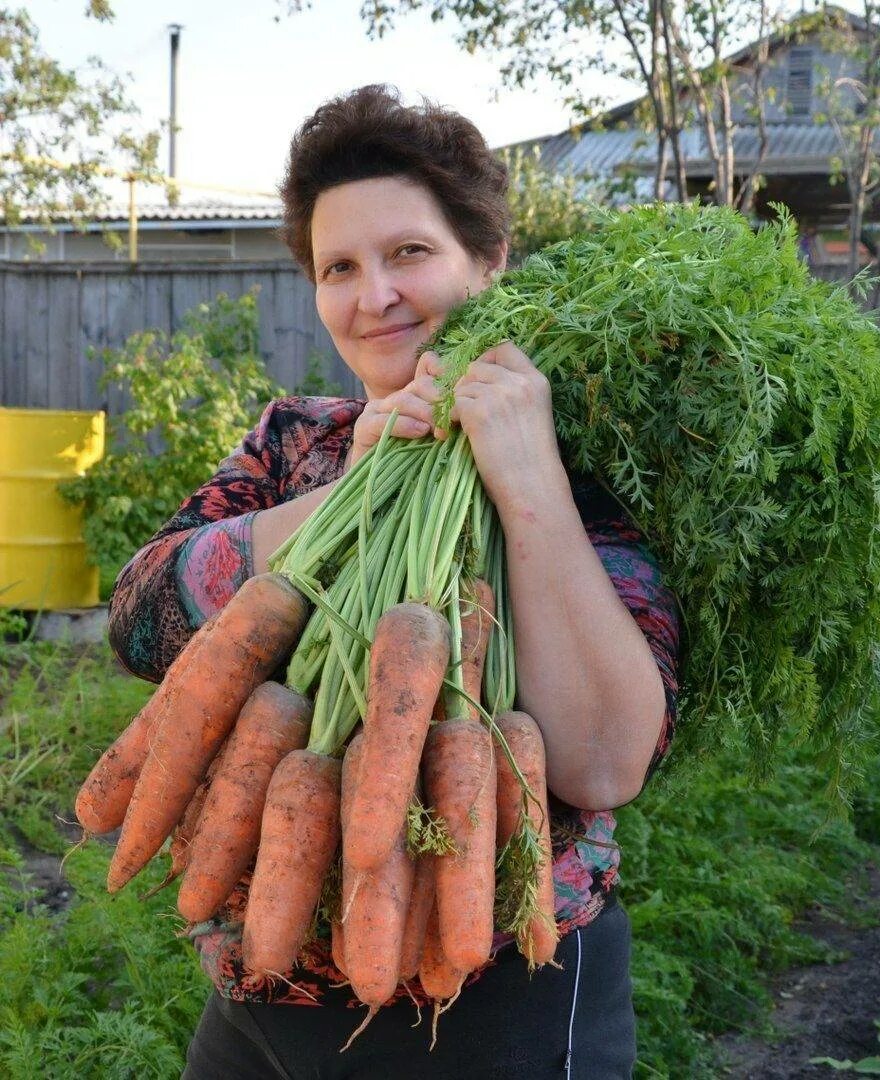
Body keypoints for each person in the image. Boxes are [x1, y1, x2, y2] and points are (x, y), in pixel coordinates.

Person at [108, 84, 679, 1080]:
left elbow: (600, 764)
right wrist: (342, 495)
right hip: (261, 982)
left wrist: (528, 475)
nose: (374, 296)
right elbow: (138, 622)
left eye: (409, 253)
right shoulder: (297, 442)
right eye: (339, 267)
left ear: (487, 260)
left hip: (492, 991)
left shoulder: (592, 465)